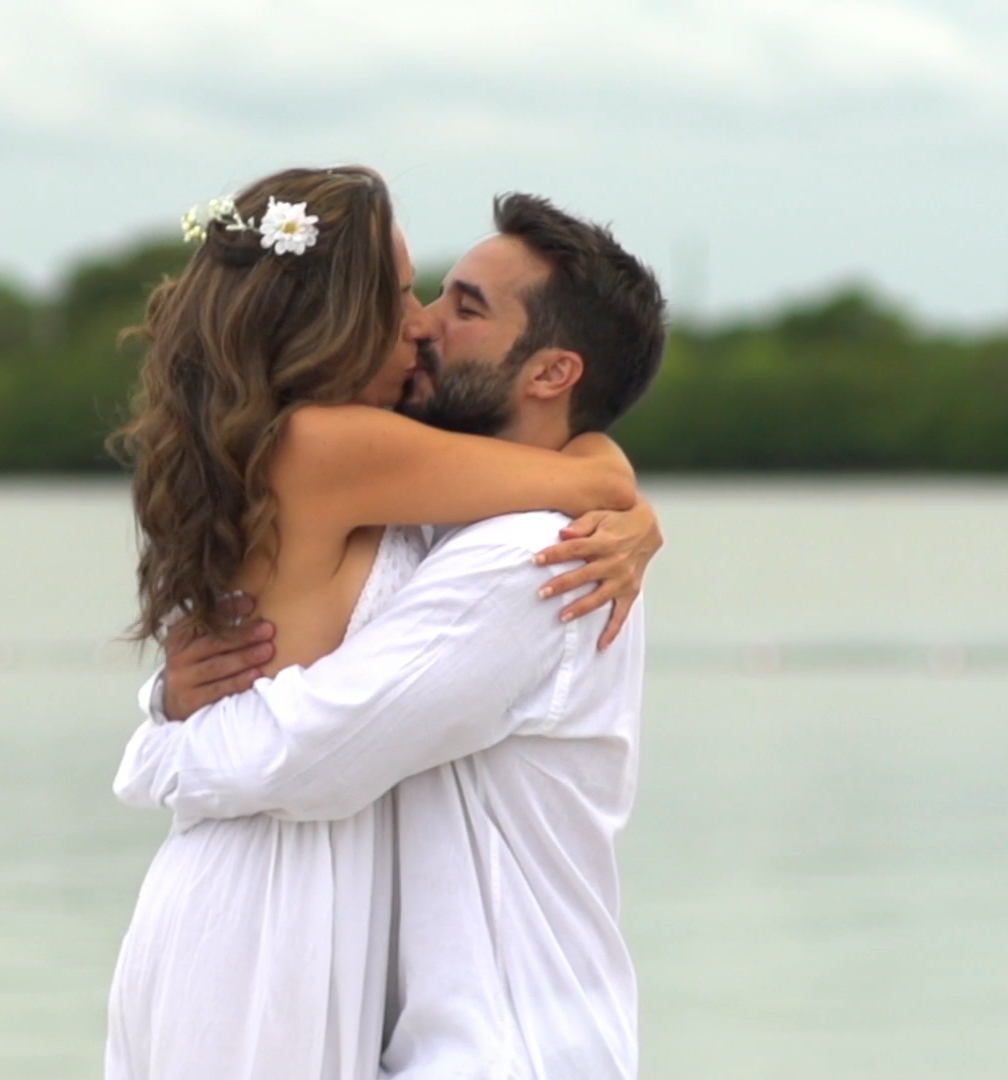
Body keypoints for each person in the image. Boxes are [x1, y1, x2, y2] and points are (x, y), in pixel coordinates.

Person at [104, 168, 662, 1080]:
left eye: (454, 304)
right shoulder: (332, 449)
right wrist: (622, 495)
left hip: (310, 906)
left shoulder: (486, 529)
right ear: (335, 316)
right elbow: (587, 479)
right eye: (402, 294)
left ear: (552, 370)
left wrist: (166, 724)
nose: (421, 323)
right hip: (267, 908)